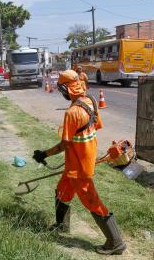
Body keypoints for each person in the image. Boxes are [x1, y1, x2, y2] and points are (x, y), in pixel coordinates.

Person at [33, 70, 126, 255]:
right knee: (62, 191)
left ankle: (116, 242)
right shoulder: (90, 100)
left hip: (79, 167)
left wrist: (43, 154)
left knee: (92, 201)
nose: (62, 93)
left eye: (62, 89)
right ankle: (61, 226)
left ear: (67, 88)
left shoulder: (72, 112)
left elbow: (64, 145)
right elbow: (97, 126)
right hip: (81, 161)